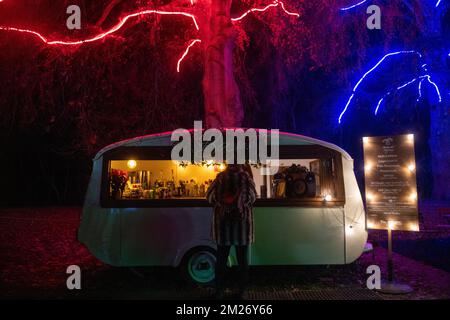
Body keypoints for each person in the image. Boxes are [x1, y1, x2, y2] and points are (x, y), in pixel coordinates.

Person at [206, 163, 257, 299]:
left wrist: (222, 203)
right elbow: (253, 197)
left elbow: (209, 196)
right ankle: (241, 291)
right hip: (242, 229)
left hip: (223, 228)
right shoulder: (246, 178)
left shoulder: (220, 178)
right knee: (242, 261)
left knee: (221, 260)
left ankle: (220, 291)